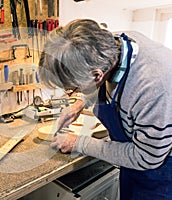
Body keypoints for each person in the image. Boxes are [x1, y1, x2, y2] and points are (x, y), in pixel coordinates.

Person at [38, 19, 172, 200]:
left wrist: (78, 143)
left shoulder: (153, 88)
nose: (71, 93)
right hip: (134, 166)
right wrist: (79, 103)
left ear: (96, 75)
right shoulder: (108, 45)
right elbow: (104, 78)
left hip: (160, 174)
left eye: (72, 89)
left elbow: (147, 157)